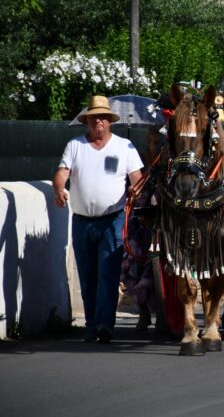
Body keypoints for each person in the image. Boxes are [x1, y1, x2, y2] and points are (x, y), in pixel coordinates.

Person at [53, 95, 144, 344]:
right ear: (88, 121)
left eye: (103, 117)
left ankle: (105, 325)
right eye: (94, 118)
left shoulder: (124, 146)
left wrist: (137, 191)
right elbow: (62, 173)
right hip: (82, 221)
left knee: (107, 273)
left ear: (110, 121)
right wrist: (59, 188)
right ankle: (91, 325)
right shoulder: (75, 145)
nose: (99, 122)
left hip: (113, 219)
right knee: (87, 274)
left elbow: (138, 178)